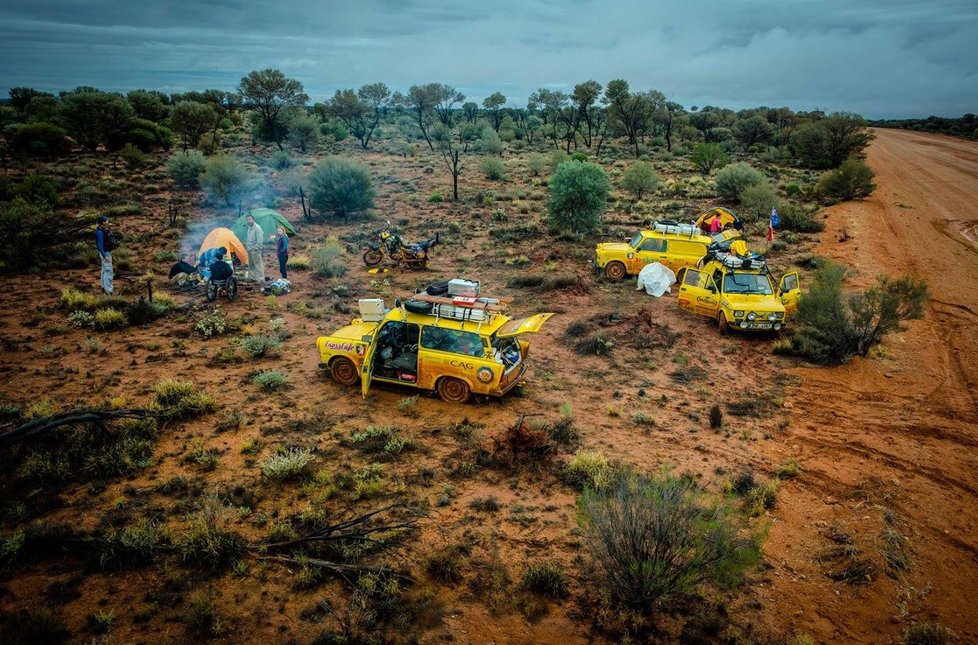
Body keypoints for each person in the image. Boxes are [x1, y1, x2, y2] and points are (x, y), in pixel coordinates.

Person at [95, 215, 114, 294]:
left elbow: (107, 236)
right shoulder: (100, 232)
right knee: (108, 270)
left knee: (104, 271)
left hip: (105, 252)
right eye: (106, 221)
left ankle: (104, 287)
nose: (107, 222)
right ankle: (109, 290)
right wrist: (104, 256)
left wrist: (109, 228)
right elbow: (100, 246)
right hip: (105, 253)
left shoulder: (102, 230)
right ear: (103, 222)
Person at [245, 214, 265, 284]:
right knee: (251, 265)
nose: (249, 221)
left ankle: (261, 279)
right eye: (247, 219)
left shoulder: (257, 228)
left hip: (255, 249)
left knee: (258, 264)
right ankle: (253, 277)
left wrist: (256, 248)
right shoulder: (249, 227)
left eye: (250, 219)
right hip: (249, 249)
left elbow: (260, 240)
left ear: (253, 219)